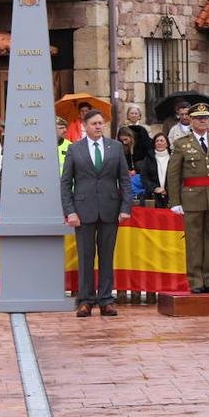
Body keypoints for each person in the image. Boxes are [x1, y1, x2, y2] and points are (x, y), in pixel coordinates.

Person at [60, 108, 133, 316]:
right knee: (85, 256)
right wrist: (70, 212)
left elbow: (125, 181)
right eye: (94, 124)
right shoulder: (75, 149)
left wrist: (125, 207)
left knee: (107, 256)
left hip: (110, 209)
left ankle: (106, 299)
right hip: (83, 211)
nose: (99, 126)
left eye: (101, 123)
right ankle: (85, 299)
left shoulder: (115, 147)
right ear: (85, 126)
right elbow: (66, 183)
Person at [167, 102, 209, 293]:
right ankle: (195, 280)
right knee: (194, 241)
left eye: (205, 118)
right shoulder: (182, 143)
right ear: (191, 120)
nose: (203, 121)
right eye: (198, 118)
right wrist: (175, 201)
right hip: (192, 199)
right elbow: (173, 174)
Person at [139, 132, 171, 208]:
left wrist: (167, 190)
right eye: (157, 141)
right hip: (153, 196)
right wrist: (155, 188)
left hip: (171, 197)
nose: (159, 143)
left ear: (167, 144)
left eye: (162, 141)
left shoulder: (174, 158)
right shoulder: (148, 158)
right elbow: (144, 177)